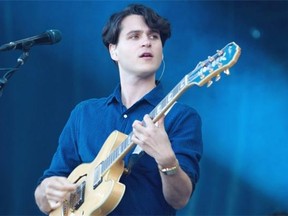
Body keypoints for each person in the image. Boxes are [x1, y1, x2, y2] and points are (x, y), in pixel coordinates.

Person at [34, 3, 203, 215]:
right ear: (113, 50)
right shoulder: (84, 113)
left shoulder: (181, 117)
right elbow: (46, 194)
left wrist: (166, 159)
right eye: (135, 36)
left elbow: (180, 199)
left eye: (154, 37)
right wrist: (46, 190)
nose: (146, 42)